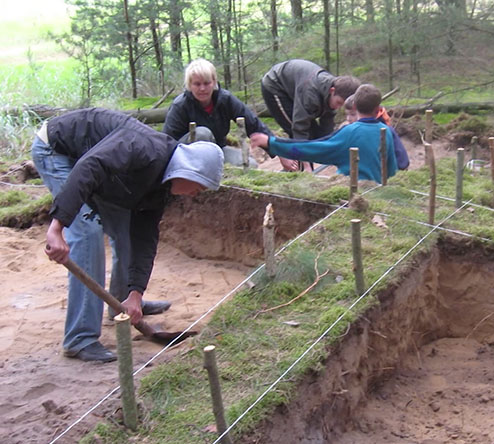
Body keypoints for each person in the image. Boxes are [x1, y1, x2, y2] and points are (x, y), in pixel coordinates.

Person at [32, 108, 224, 363]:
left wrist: (136, 292)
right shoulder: (144, 148)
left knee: (125, 234)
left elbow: (144, 237)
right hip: (58, 149)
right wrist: (57, 228)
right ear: (189, 171)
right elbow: (90, 166)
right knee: (87, 232)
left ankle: (122, 305)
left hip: (102, 174)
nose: (195, 194)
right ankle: (80, 338)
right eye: (198, 187)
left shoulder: (162, 185)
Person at [252, 84, 409, 182]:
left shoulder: (348, 132)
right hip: (380, 196)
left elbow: (312, 148)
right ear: (378, 109)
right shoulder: (387, 131)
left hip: (351, 193)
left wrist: (271, 143)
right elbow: (395, 167)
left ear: (354, 106)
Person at [163, 58, 271, 167]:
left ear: (214, 82)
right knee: (202, 133)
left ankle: (217, 172)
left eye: (207, 83)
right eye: (197, 84)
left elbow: (253, 124)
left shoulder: (225, 99)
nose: (202, 88)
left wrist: (277, 150)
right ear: (190, 85)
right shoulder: (180, 105)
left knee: (250, 164)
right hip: (186, 158)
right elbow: (167, 143)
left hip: (218, 150)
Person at [260, 59, 360, 171]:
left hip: (297, 87)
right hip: (276, 86)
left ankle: (301, 171)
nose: (338, 107)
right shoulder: (310, 94)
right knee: (300, 133)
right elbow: (299, 129)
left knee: (315, 137)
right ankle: (302, 175)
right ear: (332, 90)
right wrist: (307, 165)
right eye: (339, 103)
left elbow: (326, 129)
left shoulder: (334, 93)